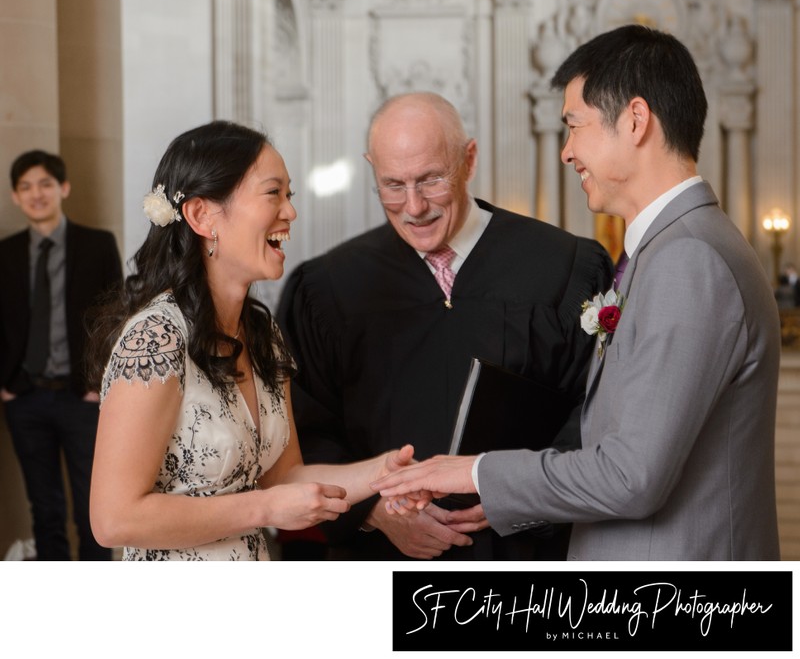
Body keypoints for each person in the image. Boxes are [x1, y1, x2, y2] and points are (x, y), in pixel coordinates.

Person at [373, 26, 782, 561]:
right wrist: (508, 499)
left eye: (574, 126)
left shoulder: (689, 260)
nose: (567, 152)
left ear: (635, 120)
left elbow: (631, 476)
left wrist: (473, 471)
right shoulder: (668, 250)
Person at [277, 91, 613, 560]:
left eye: (431, 179)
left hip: (524, 560)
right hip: (382, 567)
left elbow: (597, 408)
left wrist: (516, 498)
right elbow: (301, 434)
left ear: (468, 159)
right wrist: (374, 510)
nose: (414, 207)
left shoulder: (564, 267)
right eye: (392, 184)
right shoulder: (329, 289)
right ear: (371, 167)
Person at [86, 120, 414, 561]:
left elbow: (283, 479)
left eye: (289, 195)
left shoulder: (263, 335)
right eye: (272, 193)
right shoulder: (156, 338)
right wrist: (262, 508)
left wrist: (383, 473)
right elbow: (113, 520)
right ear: (202, 215)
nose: (290, 211)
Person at [0, 150, 122, 560]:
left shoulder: (97, 244)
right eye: (26, 187)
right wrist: (6, 384)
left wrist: (98, 383)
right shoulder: (5, 253)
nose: (36, 194)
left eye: (45, 184)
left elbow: (115, 319)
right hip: (25, 397)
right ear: (16, 196)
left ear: (63, 188)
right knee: (45, 509)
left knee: (94, 508)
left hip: (81, 398)